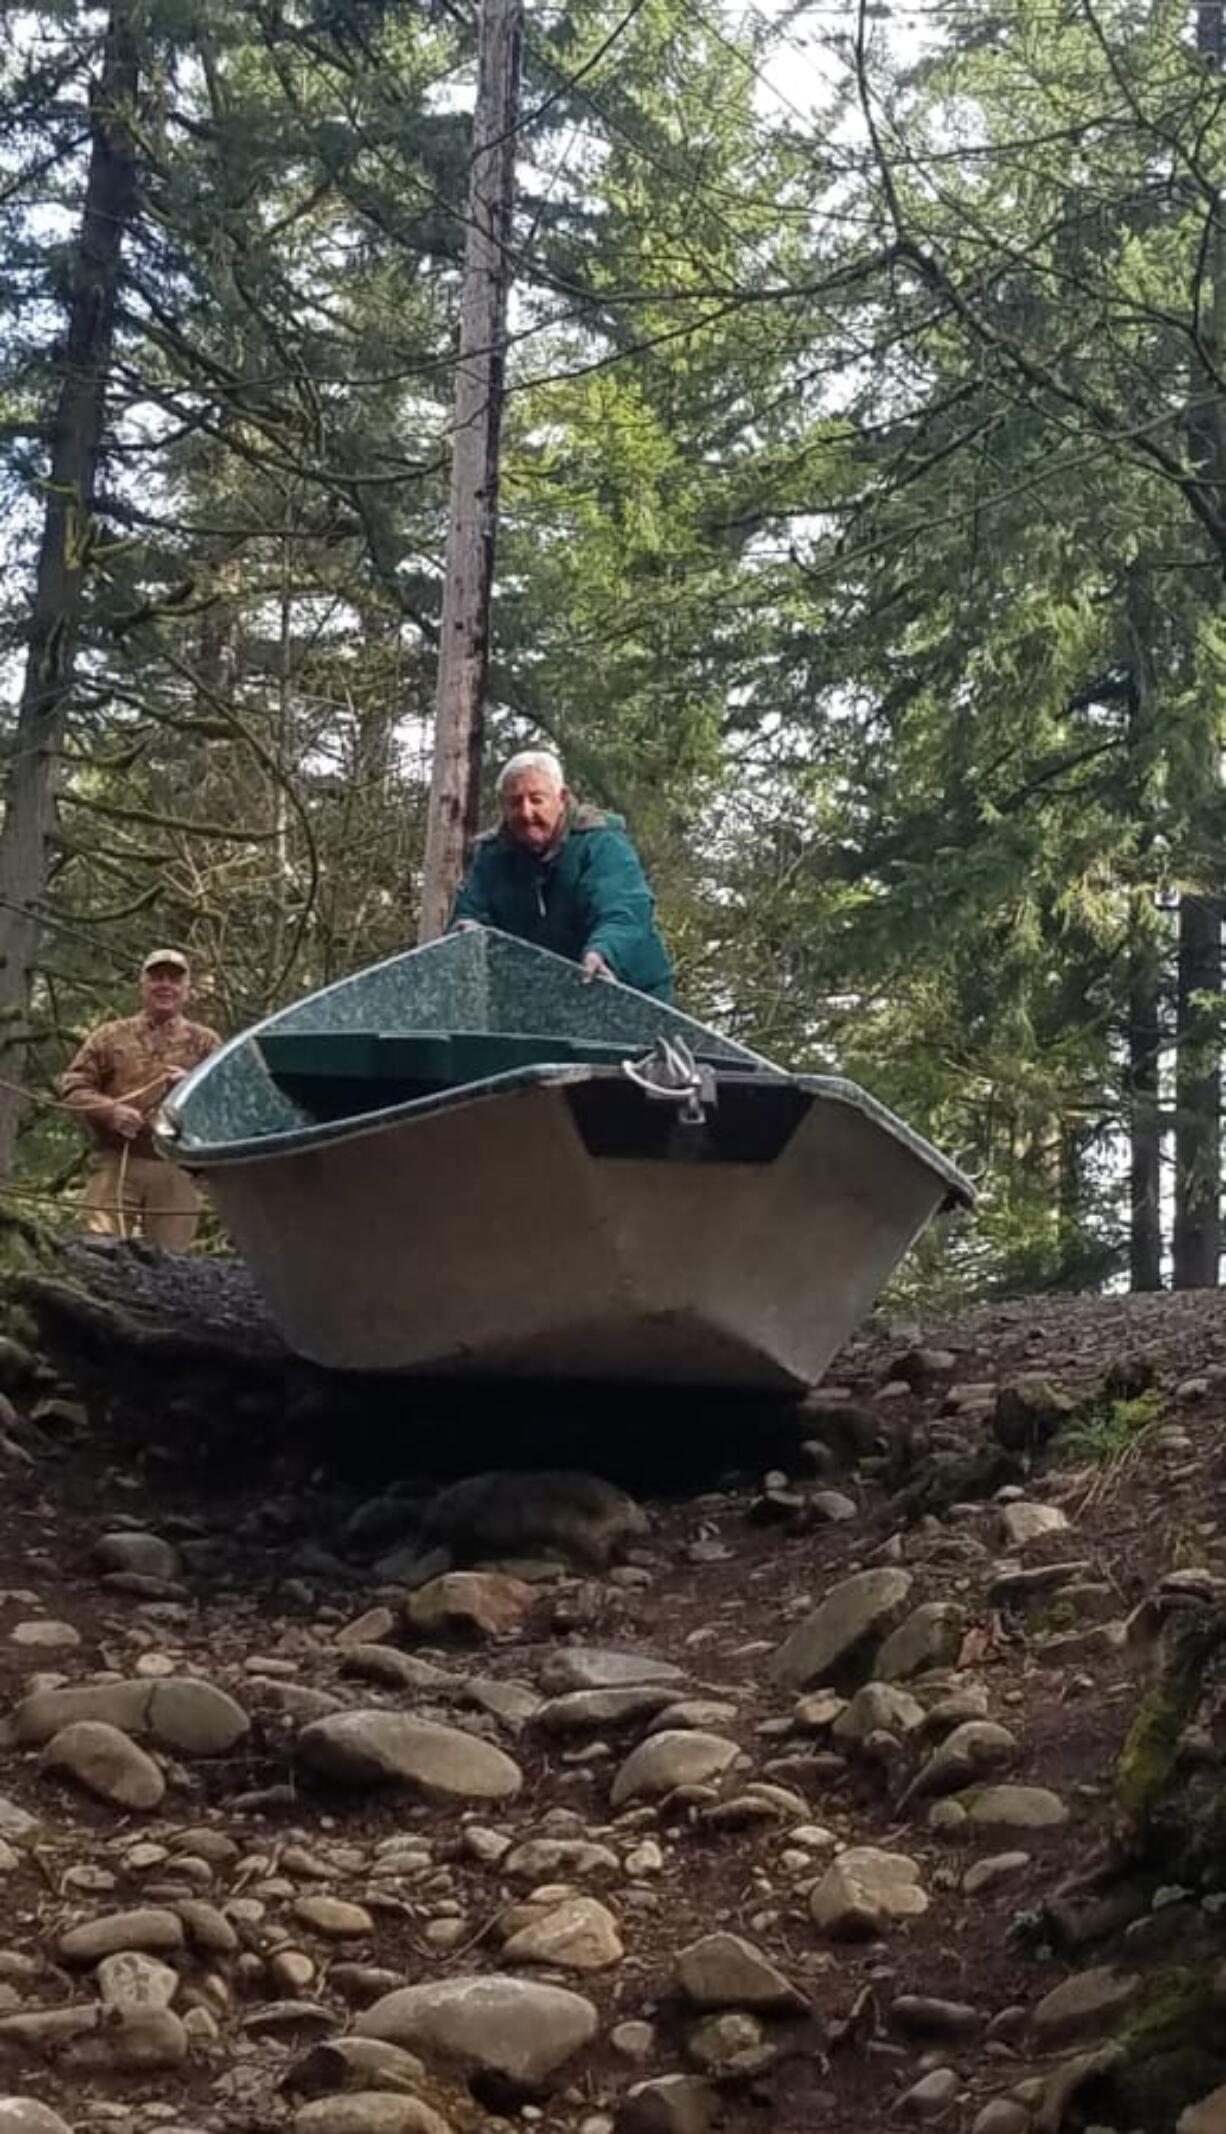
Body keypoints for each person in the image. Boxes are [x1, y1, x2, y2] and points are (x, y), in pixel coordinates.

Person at [451, 750, 674, 1000]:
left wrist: (603, 952)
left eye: (536, 800)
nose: (526, 813)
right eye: (515, 802)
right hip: (541, 1000)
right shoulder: (492, 856)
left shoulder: (601, 843)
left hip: (626, 992)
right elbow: (470, 913)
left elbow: (624, 910)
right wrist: (467, 933)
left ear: (562, 798)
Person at [61, 950, 221, 1250]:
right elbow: (73, 1087)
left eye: (174, 979)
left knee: (171, 1264)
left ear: (187, 990)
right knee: (99, 1253)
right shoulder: (109, 1036)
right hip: (116, 1162)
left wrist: (191, 1085)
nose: (165, 985)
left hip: (178, 1167)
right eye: (156, 977)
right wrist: (110, 1111)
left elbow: (227, 1099)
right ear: (142, 985)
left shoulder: (206, 1042)